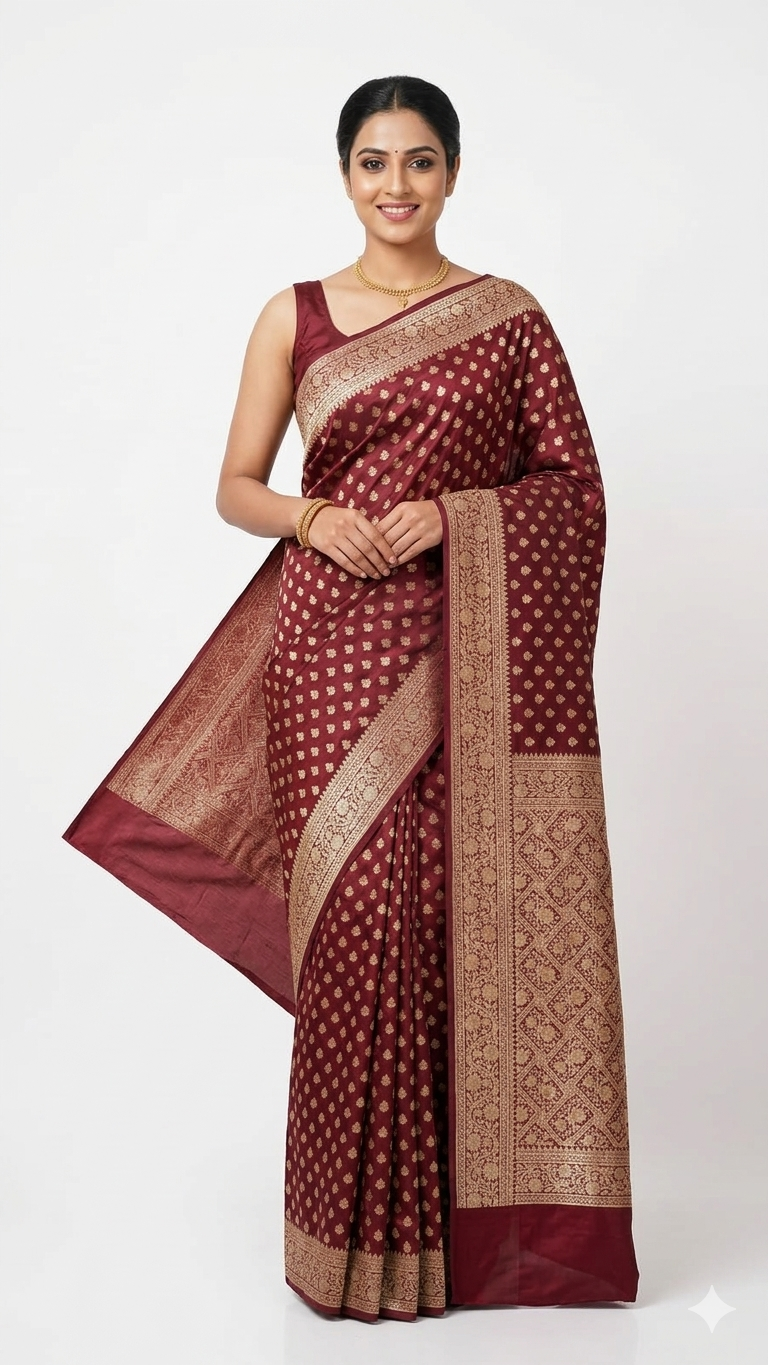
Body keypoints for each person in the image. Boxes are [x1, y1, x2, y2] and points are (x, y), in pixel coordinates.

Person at [65, 75, 640, 1321]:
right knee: (360, 914)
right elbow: (235, 483)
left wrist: (452, 514)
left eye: (420, 161)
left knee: (450, 911)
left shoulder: (508, 319)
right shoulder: (296, 316)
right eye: (374, 162)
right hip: (328, 648)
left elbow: (573, 492)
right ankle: (351, 1241)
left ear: (452, 172)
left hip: (468, 647)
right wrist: (316, 516)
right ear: (344, 174)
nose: (396, 185)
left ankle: (480, 1244)